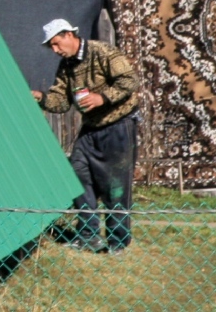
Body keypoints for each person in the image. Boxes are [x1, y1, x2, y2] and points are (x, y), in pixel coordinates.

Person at [35, 18, 141, 252]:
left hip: (118, 124)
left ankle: (118, 242)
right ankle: (88, 235)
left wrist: (102, 98)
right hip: (91, 129)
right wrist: (41, 97)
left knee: (116, 186)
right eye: (51, 47)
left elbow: (130, 80)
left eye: (56, 44)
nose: (55, 50)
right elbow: (61, 101)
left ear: (69, 35)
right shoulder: (67, 66)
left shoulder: (103, 52)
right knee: (76, 174)